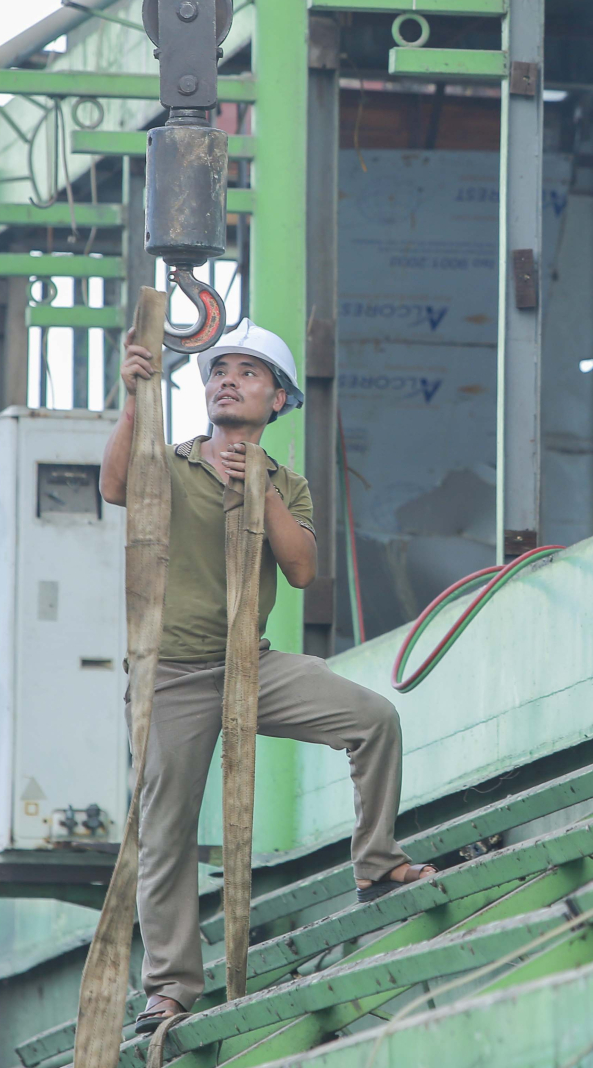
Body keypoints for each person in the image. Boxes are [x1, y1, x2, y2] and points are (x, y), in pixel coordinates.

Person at [101, 319, 436, 1029]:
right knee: (165, 830)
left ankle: (376, 862)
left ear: (279, 399)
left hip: (252, 663)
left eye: (250, 373)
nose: (228, 378)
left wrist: (262, 489)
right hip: (174, 674)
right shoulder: (173, 461)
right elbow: (116, 484)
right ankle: (170, 988)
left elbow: (304, 568)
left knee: (373, 719)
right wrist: (137, 393)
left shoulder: (288, 483)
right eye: (220, 369)